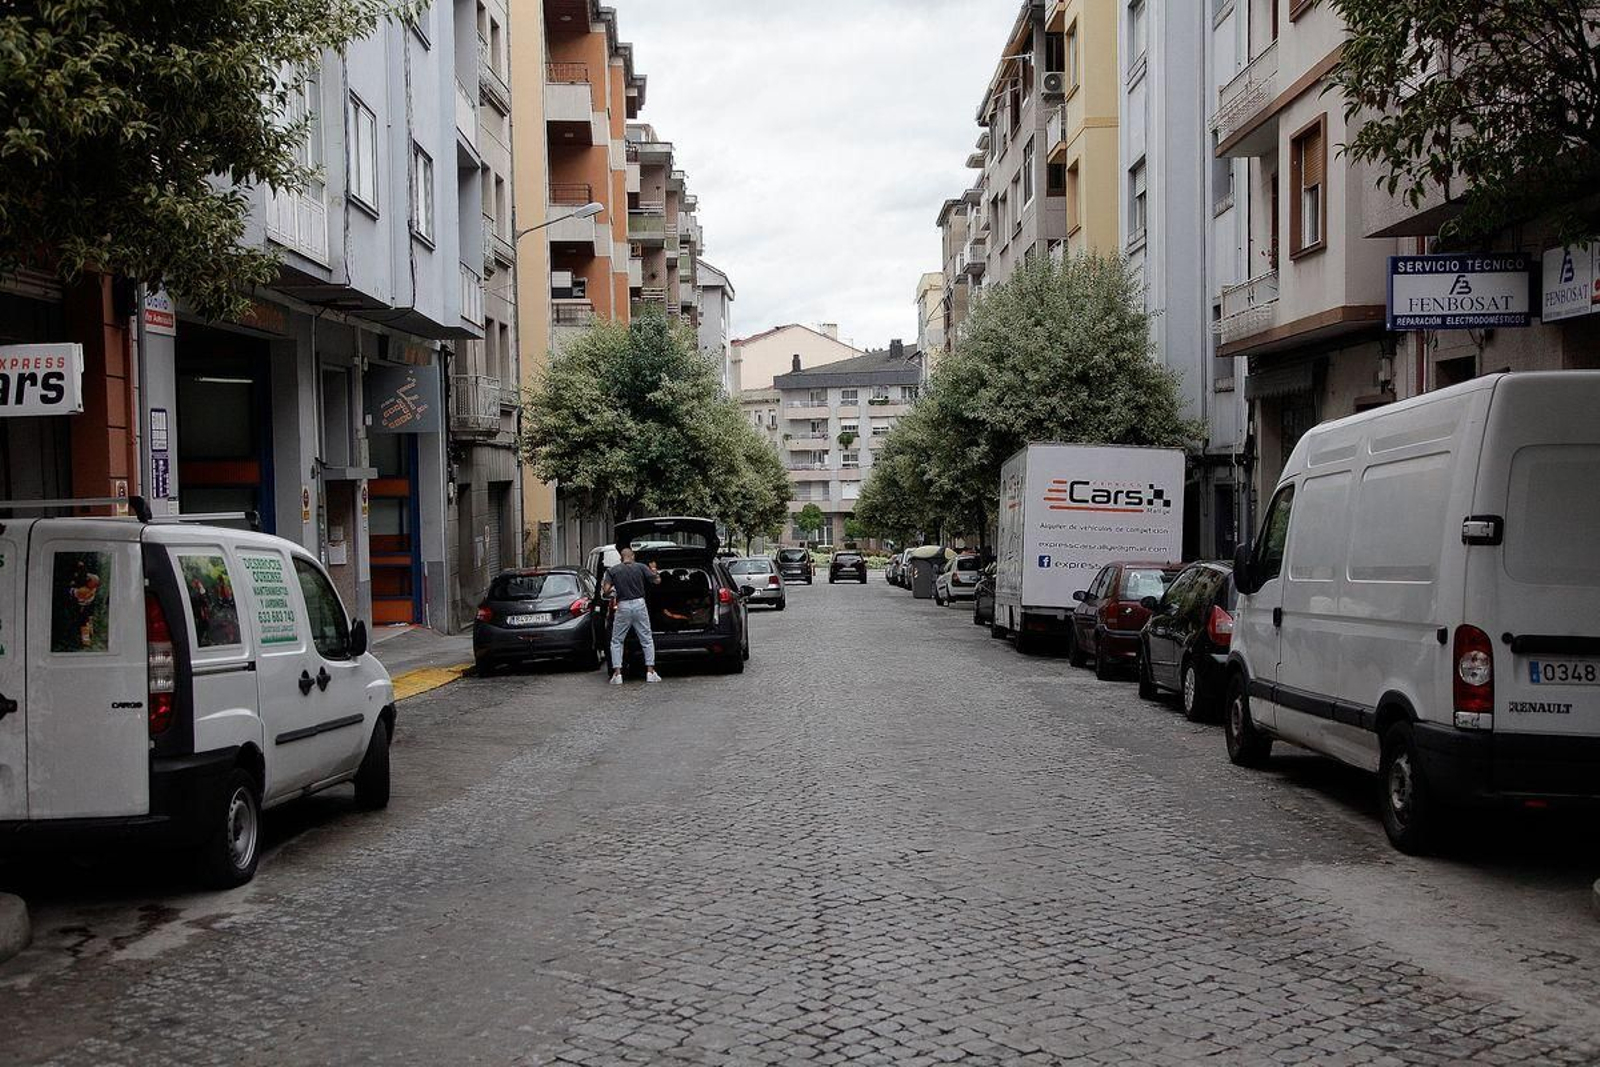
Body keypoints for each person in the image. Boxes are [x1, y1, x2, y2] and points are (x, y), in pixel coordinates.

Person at [602, 546, 662, 684]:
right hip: (639, 604)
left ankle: (617, 674)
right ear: (633, 556)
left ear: (621, 558)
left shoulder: (613, 570)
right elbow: (657, 581)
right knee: (646, 638)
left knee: (617, 640)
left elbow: (606, 591)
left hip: (623, 606)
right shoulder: (640, 567)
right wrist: (654, 570)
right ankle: (650, 672)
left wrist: (613, 590)